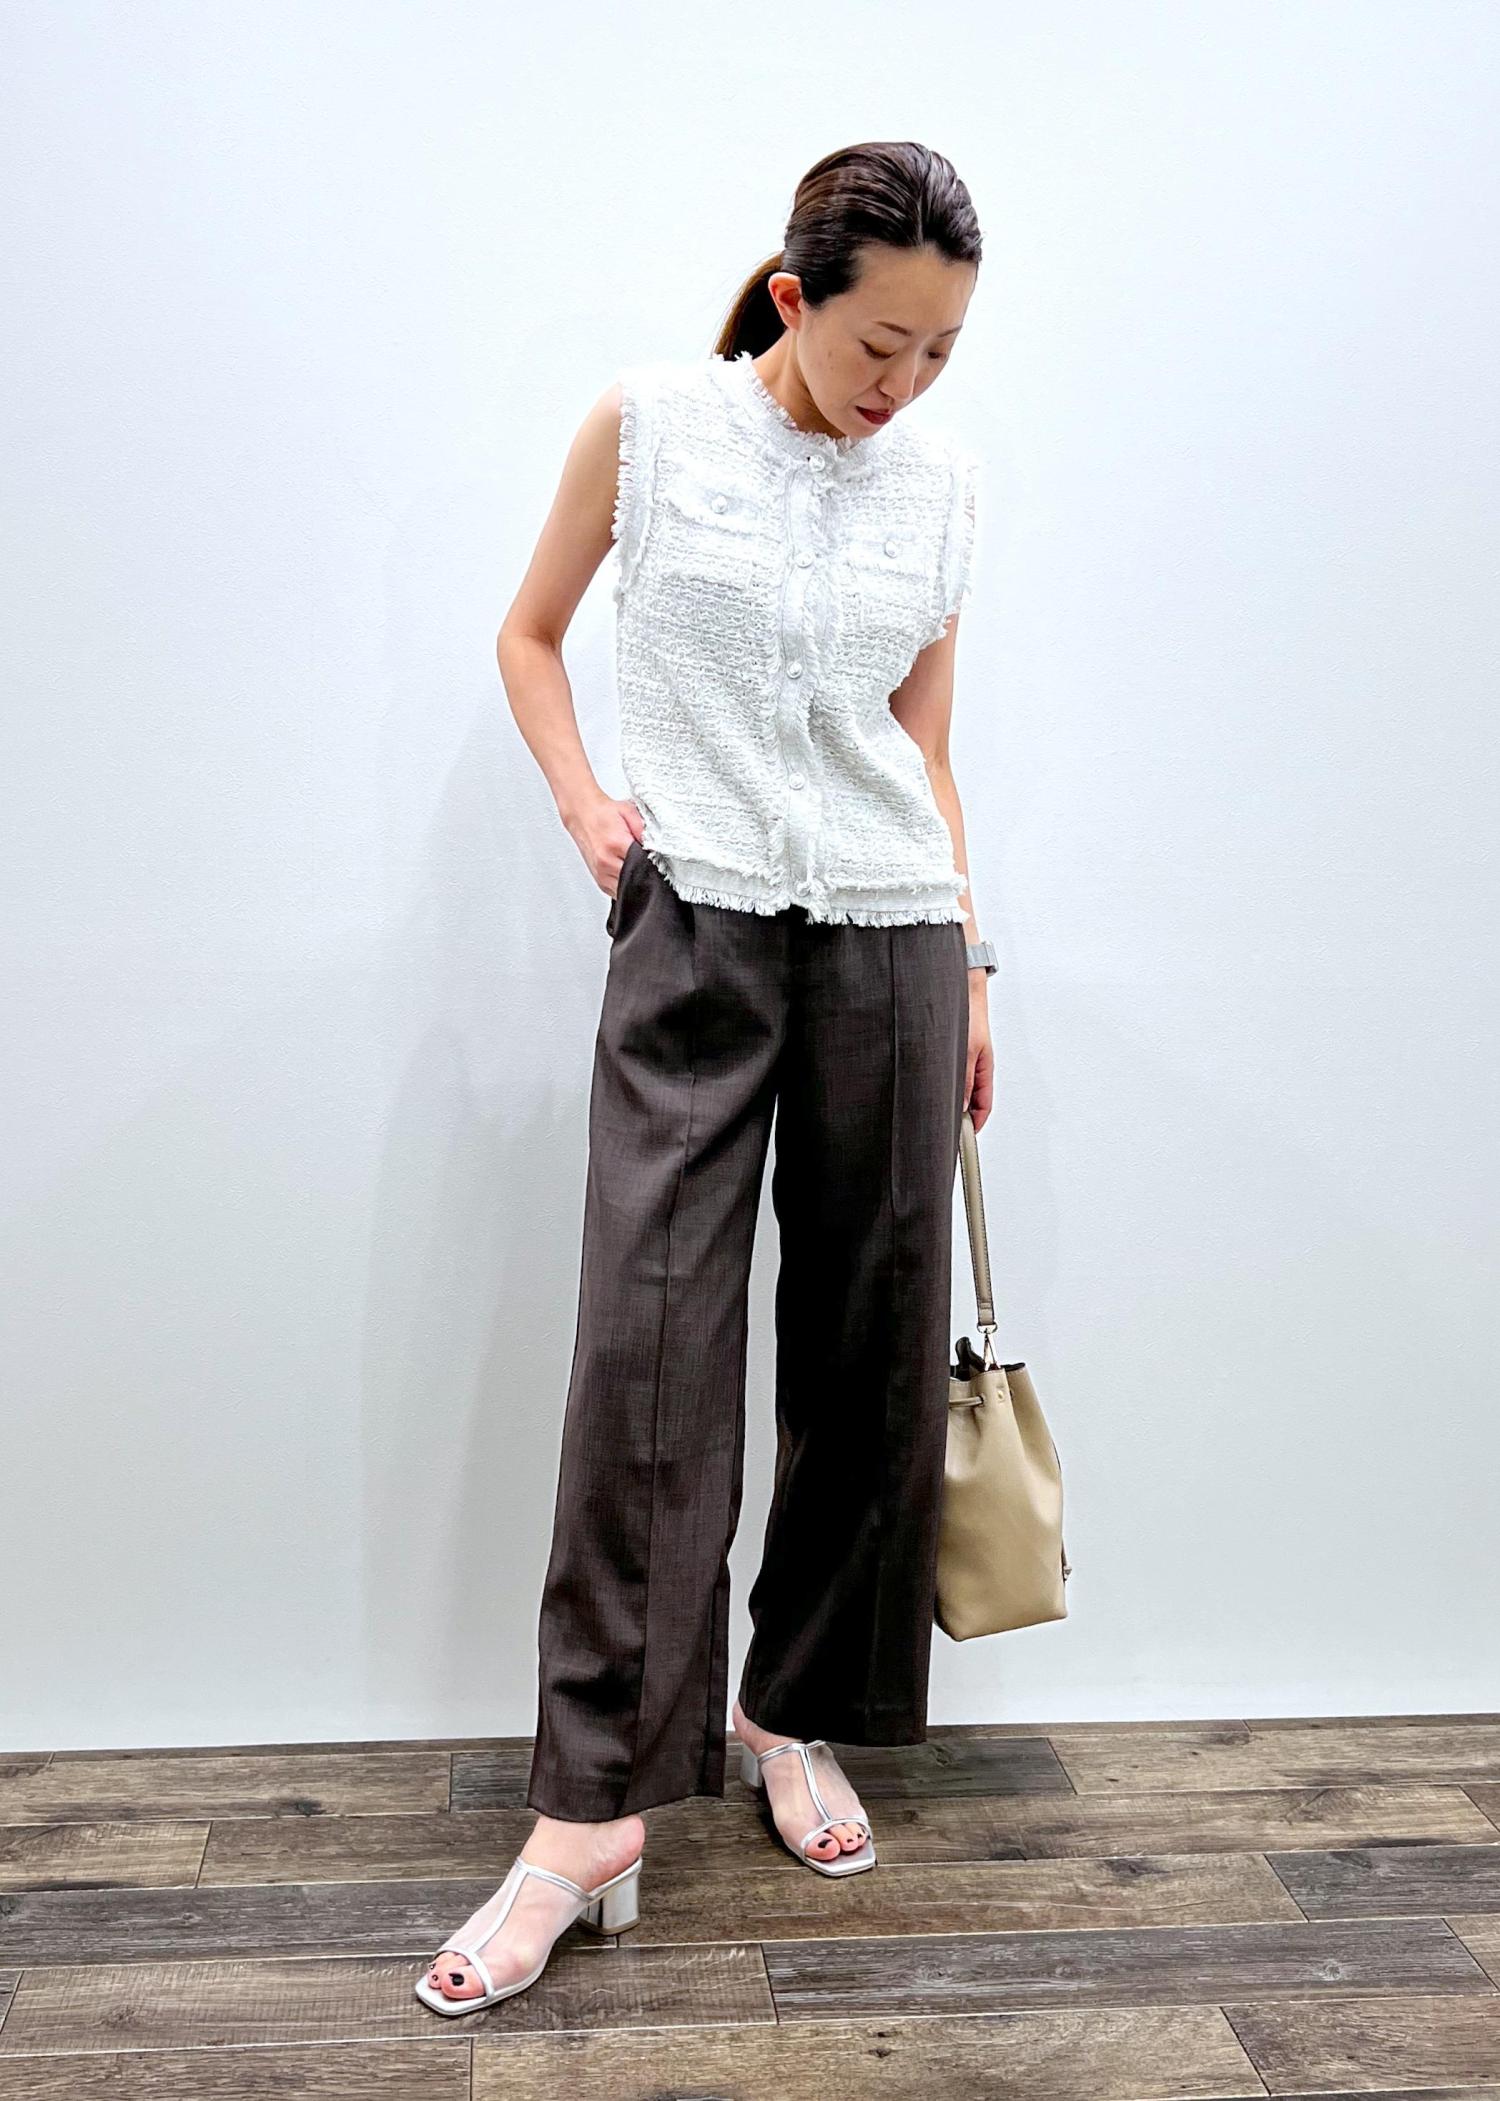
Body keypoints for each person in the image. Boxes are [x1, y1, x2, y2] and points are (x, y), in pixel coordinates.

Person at [416, 139, 996, 2017]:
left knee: (870, 1347)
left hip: (893, 932)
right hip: (699, 925)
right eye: (881, 342)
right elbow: (528, 634)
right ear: (792, 293)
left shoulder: (942, 487)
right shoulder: (653, 429)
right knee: (648, 1355)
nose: (904, 383)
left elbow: (923, 746)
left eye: (941, 352)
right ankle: (588, 1814)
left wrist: (973, 954)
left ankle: (785, 1708)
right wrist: (588, 803)